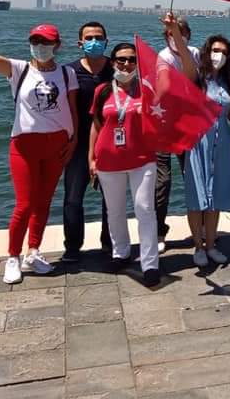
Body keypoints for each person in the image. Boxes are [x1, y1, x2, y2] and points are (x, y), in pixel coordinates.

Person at [0, 2, 78, 284]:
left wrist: (73, 139)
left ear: (57, 45)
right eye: (35, 41)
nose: (40, 46)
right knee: (25, 204)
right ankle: (13, 257)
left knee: (43, 202)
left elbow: (72, 109)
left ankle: (34, 251)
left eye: (46, 42)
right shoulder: (19, 69)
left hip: (57, 145)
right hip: (24, 146)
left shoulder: (67, 73)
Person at [164, 15, 230, 267]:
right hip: (198, 142)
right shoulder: (196, 77)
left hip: (223, 143)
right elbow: (185, 56)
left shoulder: (228, 82)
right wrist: (175, 31)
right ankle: (198, 246)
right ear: (207, 53)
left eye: (224, 52)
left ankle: (211, 244)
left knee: (215, 195)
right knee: (197, 195)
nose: (220, 55)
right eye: (215, 50)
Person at [88, 43, 160, 287]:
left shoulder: (147, 90)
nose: (126, 64)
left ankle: (150, 264)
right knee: (115, 210)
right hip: (109, 161)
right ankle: (121, 253)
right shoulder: (102, 91)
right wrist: (91, 158)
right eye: (121, 60)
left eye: (131, 59)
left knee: (144, 209)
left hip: (142, 159)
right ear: (112, 63)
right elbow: (96, 125)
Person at [61, 21, 113, 263]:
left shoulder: (117, 69)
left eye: (99, 37)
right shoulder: (68, 72)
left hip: (111, 145)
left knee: (111, 199)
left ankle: (109, 244)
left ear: (106, 42)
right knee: (73, 197)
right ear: (80, 43)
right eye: (89, 38)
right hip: (78, 144)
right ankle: (72, 247)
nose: (94, 41)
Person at [154, 17, 200, 252]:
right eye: (171, 34)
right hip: (164, 125)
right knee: (162, 181)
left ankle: (200, 228)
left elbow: (193, 77)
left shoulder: (195, 53)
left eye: (181, 33)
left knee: (192, 177)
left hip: (188, 125)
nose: (176, 38)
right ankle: (159, 231)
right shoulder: (163, 56)